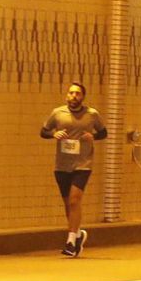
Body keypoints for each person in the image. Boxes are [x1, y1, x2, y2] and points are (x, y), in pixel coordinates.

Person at [40, 82, 108, 258]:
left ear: (83, 96)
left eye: (77, 93)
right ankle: (78, 234)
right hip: (62, 164)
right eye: (71, 93)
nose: (73, 96)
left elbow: (103, 132)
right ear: (66, 95)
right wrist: (53, 134)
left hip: (83, 164)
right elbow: (44, 131)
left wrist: (92, 136)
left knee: (74, 200)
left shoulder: (92, 115)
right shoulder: (58, 113)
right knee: (68, 203)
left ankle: (70, 242)